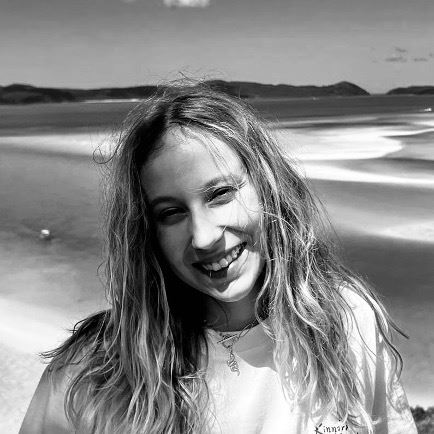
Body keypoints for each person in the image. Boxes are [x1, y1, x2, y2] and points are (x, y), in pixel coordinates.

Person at [20, 84, 417, 434]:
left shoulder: (346, 321)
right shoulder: (95, 370)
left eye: (220, 194)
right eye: (171, 213)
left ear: (268, 187)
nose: (204, 236)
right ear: (148, 233)